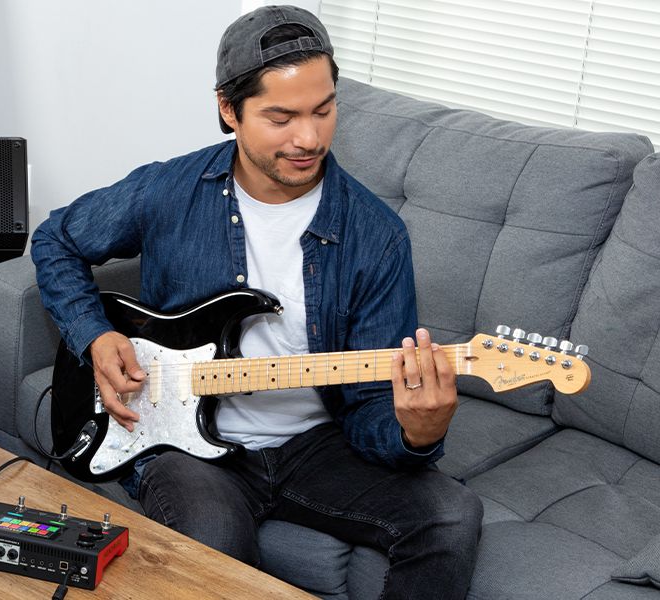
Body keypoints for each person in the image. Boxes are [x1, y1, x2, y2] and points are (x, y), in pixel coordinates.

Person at [31, 6, 481, 599]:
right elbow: (56, 238)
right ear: (228, 109)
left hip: (318, 445)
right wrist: (94, 333)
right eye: (281, 116)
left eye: (324, 110)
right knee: (216, 548)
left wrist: (416, 433)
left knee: (451, 515)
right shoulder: (170, 190)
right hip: (185, 443)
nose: (309, 137)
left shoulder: (376, 235)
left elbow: (373, 403)